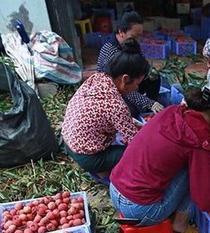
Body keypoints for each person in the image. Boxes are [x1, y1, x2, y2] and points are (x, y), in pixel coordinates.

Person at [110, 87, 210, 233]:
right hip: (140, 209)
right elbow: (205, 203)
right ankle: (180, 225)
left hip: (115, 189)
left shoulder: (174, 111)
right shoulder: (198, 140)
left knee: (194, 166)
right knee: (197, 171)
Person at [61, 39, 149, 179]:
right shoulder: (116, 105)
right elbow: (137, 143)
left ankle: (101, 167)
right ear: (125, 79)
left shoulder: (97, 78)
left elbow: (108, 116)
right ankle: (100, 167)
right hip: (85, 155)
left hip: (68, 141)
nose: (137, 88)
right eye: (137, 83)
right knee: (136, 154)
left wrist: (133, 124)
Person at [97, 9, 163, 117]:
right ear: (121, 32)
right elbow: (120, 86)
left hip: (129, 83)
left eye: (140, 36)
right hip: (115, 91)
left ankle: (151, 112)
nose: (138, 40)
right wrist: (149, 102)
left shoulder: (131, 44)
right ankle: (147, 106)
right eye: (134, 36)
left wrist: (148, 72)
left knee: (154, 77)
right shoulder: (111, 52)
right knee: (131, 112)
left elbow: (141, 64)